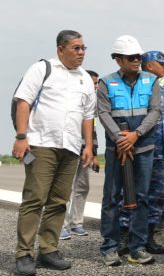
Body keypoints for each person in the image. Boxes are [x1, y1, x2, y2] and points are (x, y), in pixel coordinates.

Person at [12, 30, 96, 276]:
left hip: (70, 147)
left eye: (83, 48)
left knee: (59, 201)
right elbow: (23, 101)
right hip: (41, 144)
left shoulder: (85, 79)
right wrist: (21, 136)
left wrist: (88, 145)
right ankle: (23, 253)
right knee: (35, 198)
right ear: (61, 49)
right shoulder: (42, 69)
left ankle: (48, 249)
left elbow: (88, 115)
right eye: (76, 48)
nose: (81, 53)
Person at [98, 35, 162, 267]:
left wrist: (136, 135)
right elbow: (103, 113)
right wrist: (120, 138)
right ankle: (110, 247)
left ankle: (137, 247)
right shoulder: (106, 83)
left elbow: (155, 111)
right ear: (118, 60)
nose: (137, 60)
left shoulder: (151, 81)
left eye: (138, 57)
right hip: (116, 150)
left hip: (143, 147)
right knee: (112, 197)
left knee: (142, 198)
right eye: (131, 57)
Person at [60, 69, 101, 240]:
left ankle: (77, 222)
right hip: (68, 146)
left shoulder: (94, 104)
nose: (96, 86)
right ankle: (61, 225)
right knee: (65, 187)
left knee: (83, 186)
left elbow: (94, 130)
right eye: (94, 82)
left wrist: (94, 152)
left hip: (86, 148)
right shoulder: (70, 98)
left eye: (97, 83)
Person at [140, 50, 164, 256]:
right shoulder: (140, 87)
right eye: (162, 63)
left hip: (161, 152)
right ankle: (128, 236)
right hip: (143, 150)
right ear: (150, 65)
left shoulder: (163, 89)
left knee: (157, 196)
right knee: (136, 193)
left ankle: (149, 236)